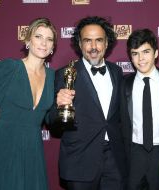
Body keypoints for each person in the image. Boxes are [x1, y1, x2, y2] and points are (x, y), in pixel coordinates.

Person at [49, 16, 127, 190]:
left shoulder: (117, 71)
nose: (93, 47)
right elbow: (50, 119)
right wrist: (58, 105)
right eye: (87, 41)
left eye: (99, 40)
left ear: (107, 43)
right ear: (79, 43)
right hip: (80, 161)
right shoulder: (64, 74)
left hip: (114, 161)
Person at [0, 17, 57, 190]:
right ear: (28, 40)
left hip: (33, 147)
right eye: (38, 36)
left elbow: (51, 119)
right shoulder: (9, 68)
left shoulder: (53, 77)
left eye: (49, 39)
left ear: (53, 47)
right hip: (2, 144)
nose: (43, 43)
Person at [120, 29, 159, 190]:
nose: (141, 58)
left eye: (146, 52)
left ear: (156, 53)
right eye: (135, 53)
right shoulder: (124, 84)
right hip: (134, 152)